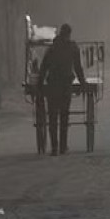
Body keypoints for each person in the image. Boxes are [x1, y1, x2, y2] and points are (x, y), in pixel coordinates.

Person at [38, 24, 86, 155]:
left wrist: (39, 85)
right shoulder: (73, 48)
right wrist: (83, 84)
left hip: (53, 85)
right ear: (69, 34)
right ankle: (63, 146)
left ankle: (54, 147)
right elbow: (78, 68)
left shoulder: (52, 48)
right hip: (65, 86)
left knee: (53, 118)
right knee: (64, 116)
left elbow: (43, 68)